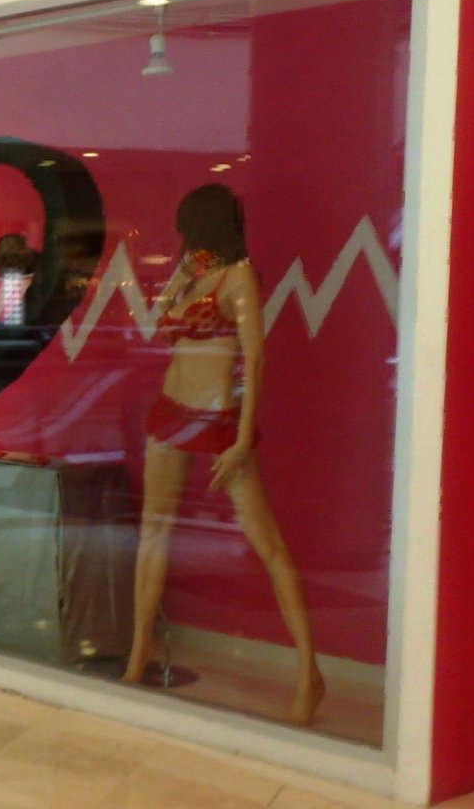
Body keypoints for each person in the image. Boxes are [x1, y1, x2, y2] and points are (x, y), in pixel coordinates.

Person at [121, 183, 324, 726]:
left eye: (187, 227)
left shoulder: (239, 278)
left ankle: (309, 672)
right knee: (152, 532)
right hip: (171, 411)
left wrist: (241, 437)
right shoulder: (192, 275)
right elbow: (163, 331)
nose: (182, 236)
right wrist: (179, 280)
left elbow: (253, 360)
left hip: (219, 418)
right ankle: (139, 654)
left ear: (202, 224)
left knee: (266, 542)